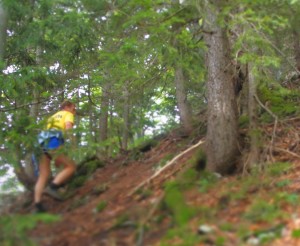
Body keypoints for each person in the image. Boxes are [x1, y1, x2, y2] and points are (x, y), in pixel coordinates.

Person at [34, 100, 77, 213]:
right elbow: (67, 126)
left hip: (39, 143)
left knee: (44, 174)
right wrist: (71, 143)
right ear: (67, 107)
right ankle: (53, 187)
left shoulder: (52, 117)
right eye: (74, 108)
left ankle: (38, 204)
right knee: (71, 166)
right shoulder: (68, 114)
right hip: (52, 141)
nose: (74, 111)